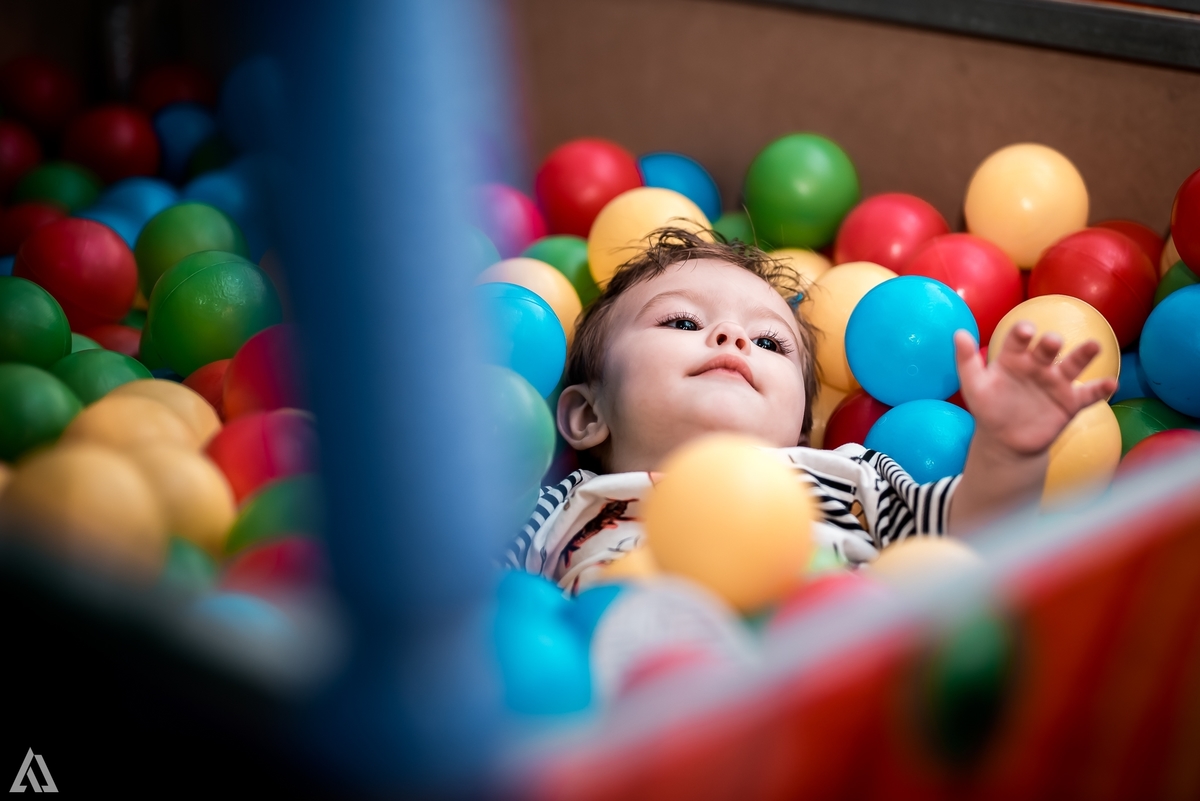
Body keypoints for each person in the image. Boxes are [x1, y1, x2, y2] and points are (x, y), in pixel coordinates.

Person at [503, 228, 1115, 595]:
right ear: (587, 416)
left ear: (802, 427)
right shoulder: (564, 504)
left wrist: (1008, 451)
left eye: (769, 342)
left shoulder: (847, 476)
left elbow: (968, 537)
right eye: (683, 321)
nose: (732, 339)